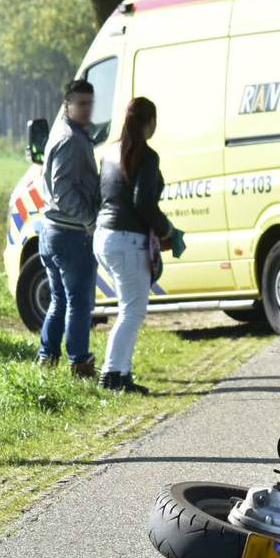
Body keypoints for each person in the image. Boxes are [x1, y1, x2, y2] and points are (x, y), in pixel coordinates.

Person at [93, 97, 171, 395]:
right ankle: (112, 374)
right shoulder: (147, 156)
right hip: (127, 240)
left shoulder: (110, 152)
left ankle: (122, 374)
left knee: (129, 308)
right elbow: (143, 202)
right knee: (132, 311)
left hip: (105, 236)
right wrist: (166, 230)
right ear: (149, 122)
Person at [38, 79, 102, 379]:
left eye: (90, 103)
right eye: (81, 103)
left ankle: (47, 358)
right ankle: (79, 364)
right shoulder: (70, 139)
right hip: (70, 233)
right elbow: (63, 191)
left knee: (59, 299)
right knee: (79, 301)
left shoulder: (64, 132)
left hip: (52, 232)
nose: (87, 109)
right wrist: (89, 220)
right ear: (67, 104)